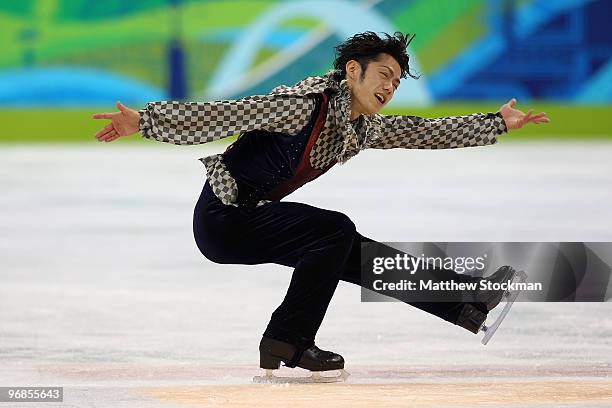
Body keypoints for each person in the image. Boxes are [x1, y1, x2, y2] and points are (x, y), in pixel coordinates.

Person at [93, 31, 549, 380]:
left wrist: (496, 123)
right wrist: (146, 120)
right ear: (353, 70)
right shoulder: (301, 106)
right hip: (223, 218)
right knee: (333, 230)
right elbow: (225, 114)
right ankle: (288, 339)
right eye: (383, 75)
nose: (390, 87)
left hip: (251, 217)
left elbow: (423, 131)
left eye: (396, 81)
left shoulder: (359, 126)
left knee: (350, 250)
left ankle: (466, 302)